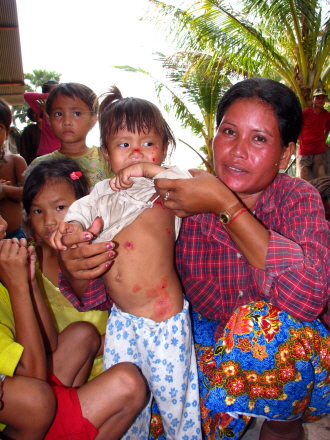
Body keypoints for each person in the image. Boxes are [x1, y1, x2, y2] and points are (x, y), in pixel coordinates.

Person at [56, 78, 330, 440]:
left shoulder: (298, 197)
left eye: (259, 138)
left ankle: (283, 427)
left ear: (285, 154)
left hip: (296, 362)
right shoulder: (177, 199)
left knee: (261, 327)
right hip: (210, 349)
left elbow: (307, 296)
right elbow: (118, 292)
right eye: (229, 132)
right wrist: (77, 266)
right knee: (152, 419)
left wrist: (225, 206)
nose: (238, 151)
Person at [52, 86, 202, 440]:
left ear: (164, 149)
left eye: (148, 143)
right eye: (124, 145)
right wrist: (69, 229)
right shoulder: (103, 191)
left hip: (163, 319)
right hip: (122, 322)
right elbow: (80, 211)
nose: (137, 152)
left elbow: (188, 185)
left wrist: (151, 170)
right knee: (130, 404)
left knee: (175, 402)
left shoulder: (165, 186)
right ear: (106, 153)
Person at [0, 214, 149, 440]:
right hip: (28, 414)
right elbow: (35, 387)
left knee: (83, 333)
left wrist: (29, 282)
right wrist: (18, 286)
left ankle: (76, 417)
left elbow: (48, 345)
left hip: (28, 398)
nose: (4, 224)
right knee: (128, 383)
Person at [22, 157, 109, 378]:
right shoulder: (26, 261)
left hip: (109, 361)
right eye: (38, 211)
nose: (49, 221)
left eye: (60, 207)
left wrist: (91, 347)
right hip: (59, 369)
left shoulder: (101, 252)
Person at [24, 82, 112, 190]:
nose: (67, 121)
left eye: (76, 114)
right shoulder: (39, 165)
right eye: (58, 114)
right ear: (49, 120)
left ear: (93, 120)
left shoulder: (107, 159)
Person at [0, 99, 27, 240]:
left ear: (6, 133)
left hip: (14, 238)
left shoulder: (15, 161)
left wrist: (4, 190)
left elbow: (29, 193)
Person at [297, 87, 330, 180]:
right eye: (318, 98)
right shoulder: (306, 113)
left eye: (322, 98)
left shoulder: (327, 115)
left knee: (320, 179)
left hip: (319, 150)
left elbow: (328, 128)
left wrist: (323, 140)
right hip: (304, 150)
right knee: (304, 179)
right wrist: (300, 139)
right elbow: (297, 125)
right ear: (313, 99)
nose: (320, 100)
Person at [24, 79, 61, 156]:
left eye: (56, 93)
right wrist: (49, 97)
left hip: (61, 154)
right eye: (52, 94)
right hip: (43, 155)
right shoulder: (41, 110)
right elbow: (26, 96)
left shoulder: (64, 110)